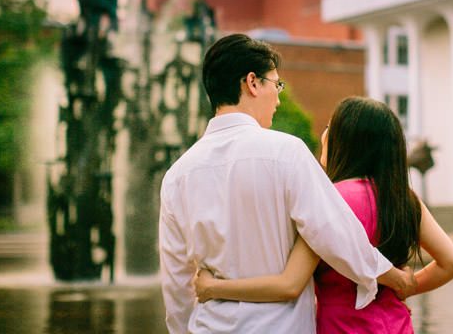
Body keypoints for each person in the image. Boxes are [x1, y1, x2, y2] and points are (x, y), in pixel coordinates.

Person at [159, 35, 415, 333]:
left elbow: (177, 281)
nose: (279, 98)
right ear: (252, 83)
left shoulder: (177, 176)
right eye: (276, 84)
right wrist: (393, 278)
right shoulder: (286, 153)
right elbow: (334, 231)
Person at [195, 96, 453, 333]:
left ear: (345, 142)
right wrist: (406, 287)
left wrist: (213, 288)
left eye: (330, 127)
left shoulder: (326, 200)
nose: (324, 134)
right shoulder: (404, 199)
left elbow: (289, 285)